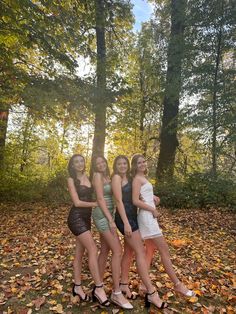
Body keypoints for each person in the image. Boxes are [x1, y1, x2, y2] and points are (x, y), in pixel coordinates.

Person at [129, 153, 195, 297]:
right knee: (164, 251)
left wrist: (153, 198)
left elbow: (143, 196)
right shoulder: (136, 179)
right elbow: (135, 200)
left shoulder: (143, 178)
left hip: (149, 216)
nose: (142, 164)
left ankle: (143, 285)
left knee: (150, 251)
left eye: (143, 162)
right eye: (138, 163)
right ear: (134, 166)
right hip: (147, 217)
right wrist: (152, 208)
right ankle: (178, 285)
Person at [111, 155, 168, 309]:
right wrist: (126, 224)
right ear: (115, 166)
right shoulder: (116, 178)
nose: (122, 166)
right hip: (125, 218)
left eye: (124, 163)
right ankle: (151, 292)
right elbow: (118, 202)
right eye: (119, 164)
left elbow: (136, 194)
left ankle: (123, 284)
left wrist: (152, 196)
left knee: (128, 252)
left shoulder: (129, 177)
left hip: (133, 217)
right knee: (140, 252)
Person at [67, 154, 109, 306]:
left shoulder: (90, 176)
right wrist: (95, 204)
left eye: (81, 161)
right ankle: (99, 288)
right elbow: (77, 202)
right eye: (76, 162)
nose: (79, 163)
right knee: (93, 249)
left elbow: (103, 186)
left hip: (86, 218)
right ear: (72, 165)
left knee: (79, 253)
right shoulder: (71, 180)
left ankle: (77, 286)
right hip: (76, 218)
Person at [91, 156, 133, 309]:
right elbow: (101, 199)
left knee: (105, 250)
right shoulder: (97, 176)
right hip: (102, 215)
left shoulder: (107, 176)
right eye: (98, 163)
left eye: (103, 162)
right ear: (95, 166)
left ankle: (98, 286)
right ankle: (116, 292)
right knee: (117, 250)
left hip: (107, 213)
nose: (101, 164)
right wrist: (110, 220)